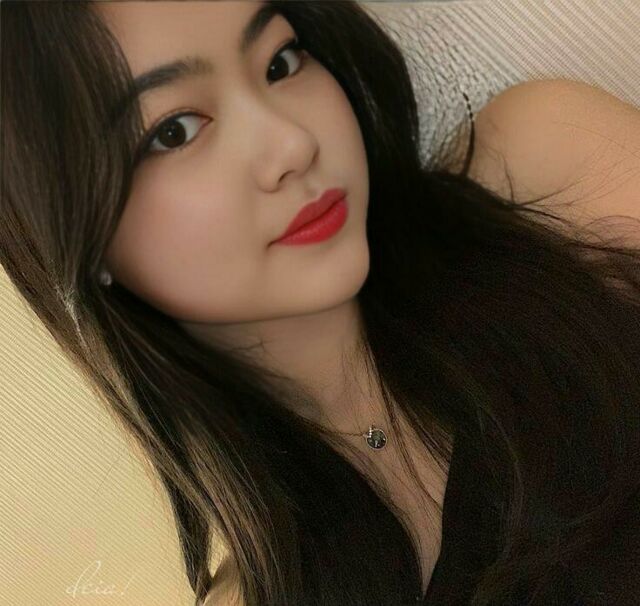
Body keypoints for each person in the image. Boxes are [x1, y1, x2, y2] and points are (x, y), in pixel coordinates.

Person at [2, 2, 640, 605]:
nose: (293, 144)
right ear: (76, 236)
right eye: (176, 131)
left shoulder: (547, 172)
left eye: (280, 63)